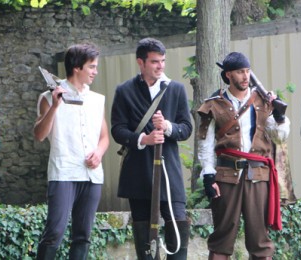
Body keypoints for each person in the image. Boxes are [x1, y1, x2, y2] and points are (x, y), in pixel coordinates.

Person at [197, 52, 290, 260]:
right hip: (226, 175)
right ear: (228, 74)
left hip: (258, 175)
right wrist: (209, 175)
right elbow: (206, 142)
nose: (245, 76)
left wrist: (279, 115)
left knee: (260, 240)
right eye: (240, 72)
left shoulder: (263, 101)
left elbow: (280, 136)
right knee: (222, 238)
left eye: (247, 71)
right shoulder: (214, 104)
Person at [111, 37, 192, 260]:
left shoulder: (175, 89)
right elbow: (117, 130)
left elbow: (186, 128)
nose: (160, 66)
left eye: (163, 61)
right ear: (141, 62)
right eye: (155, 61)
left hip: (169, 173)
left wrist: (167, 127)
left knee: (178, 225)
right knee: (144, 235)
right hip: (137, 173)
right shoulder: (124, 90)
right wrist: (143, 139)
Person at [32, 42, 109, 260]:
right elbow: (39, 134)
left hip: (92, 175)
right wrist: (56, 106)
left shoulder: (97, 99)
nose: (95, 71)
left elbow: (104, 137)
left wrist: (99, 153)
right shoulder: (49, 97)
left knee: (83, 235)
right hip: (64, 173)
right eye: (92, 67)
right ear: (77, 67)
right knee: (54, 232)